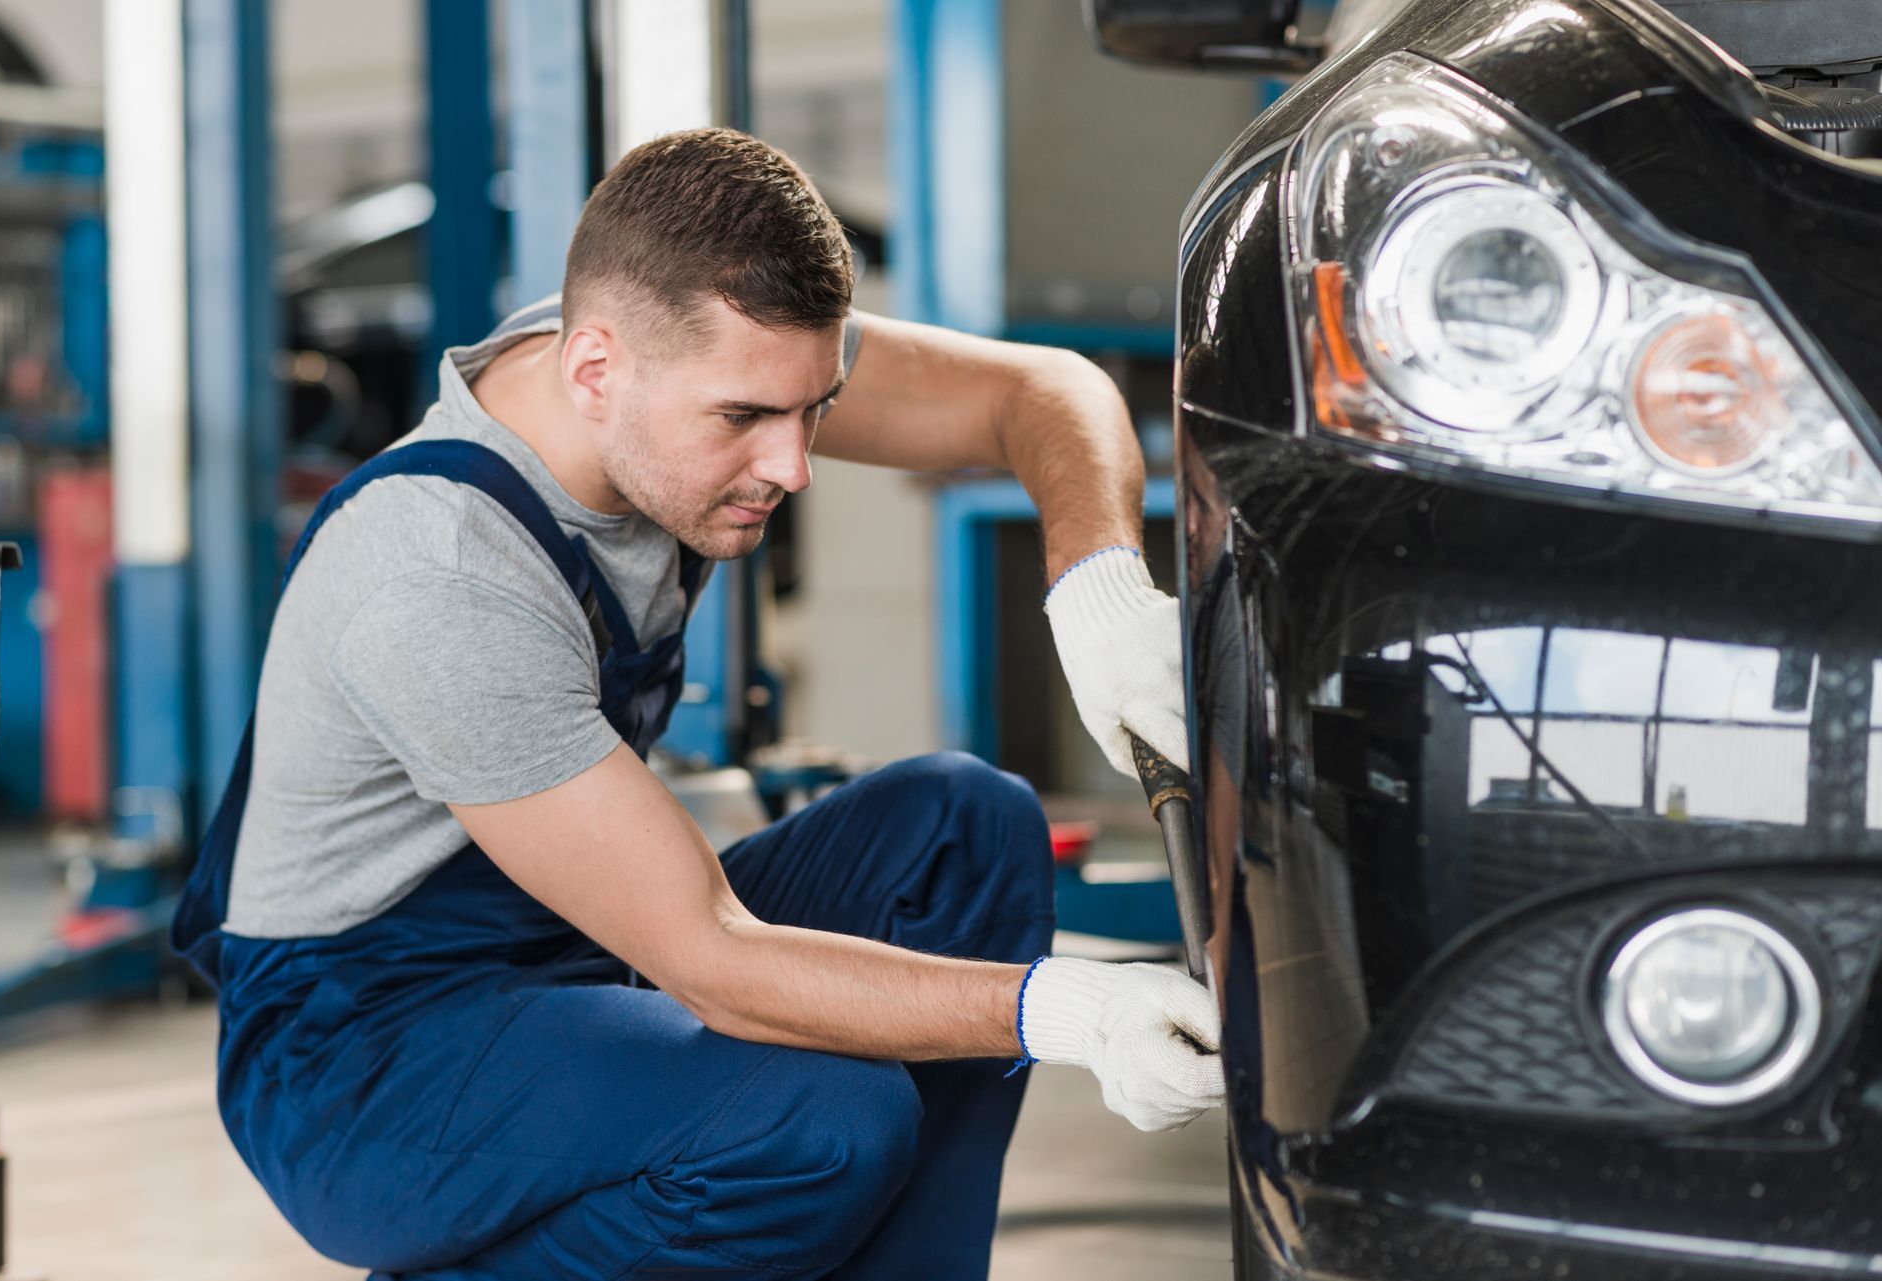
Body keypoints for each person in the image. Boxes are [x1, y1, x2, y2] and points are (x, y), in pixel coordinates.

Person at [172, 127, 1221, 1281]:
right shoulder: (441, 576)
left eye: (813, 409)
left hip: (557, 960)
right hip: (359, 1059)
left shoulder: (676, 362)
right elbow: (710, 957)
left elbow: (1042, 390)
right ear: (594, 373)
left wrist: (1098, 591)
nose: (795, 466)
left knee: (962, 829)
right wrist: (1074, 1012)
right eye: (744, 422)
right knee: (818, 1123)